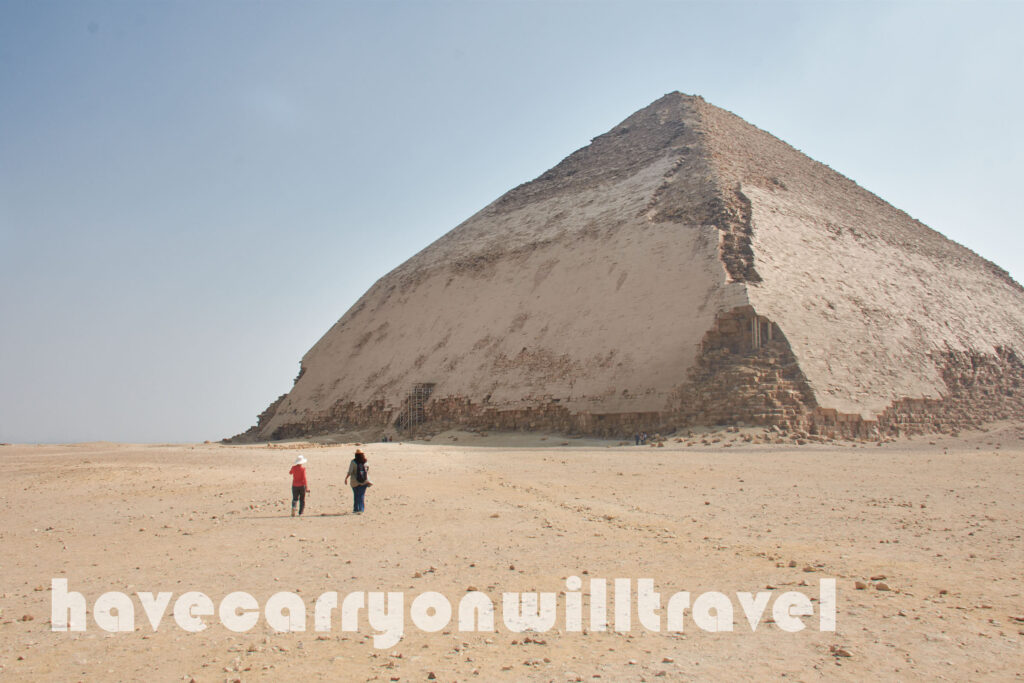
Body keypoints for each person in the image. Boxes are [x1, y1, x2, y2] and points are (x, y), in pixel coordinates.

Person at [344, 449, 371, 514]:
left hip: (354, 481)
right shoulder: (366, 462)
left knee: (356, 495)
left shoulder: (353, 462)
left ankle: (356, 509)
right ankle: (361, 509)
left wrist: (346, 478)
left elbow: (350, 471)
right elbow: (367, 470)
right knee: (361, 495)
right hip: (364, 481)